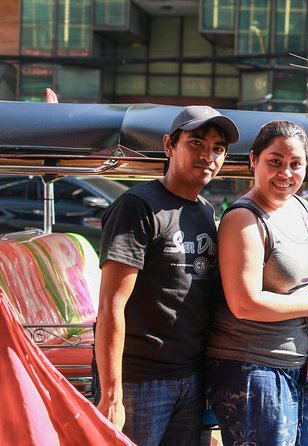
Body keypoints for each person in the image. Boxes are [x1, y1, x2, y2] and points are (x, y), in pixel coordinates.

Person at [95, 105, 240, 445]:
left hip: (190, 375)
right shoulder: (137, 206)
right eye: (196, 143)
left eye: (218, 149)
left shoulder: (205, 210)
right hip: (138, 380)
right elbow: (110, 306)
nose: (208, 155)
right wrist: (112, 392)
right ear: (169, 145)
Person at [206, 121, 308, 445]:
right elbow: (244, 303)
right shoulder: (244, 218)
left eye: (295, 164)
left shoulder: (299, 206)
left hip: (298, 364)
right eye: (275, 162)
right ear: (253, 160)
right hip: (253, 370)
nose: (286, 173)